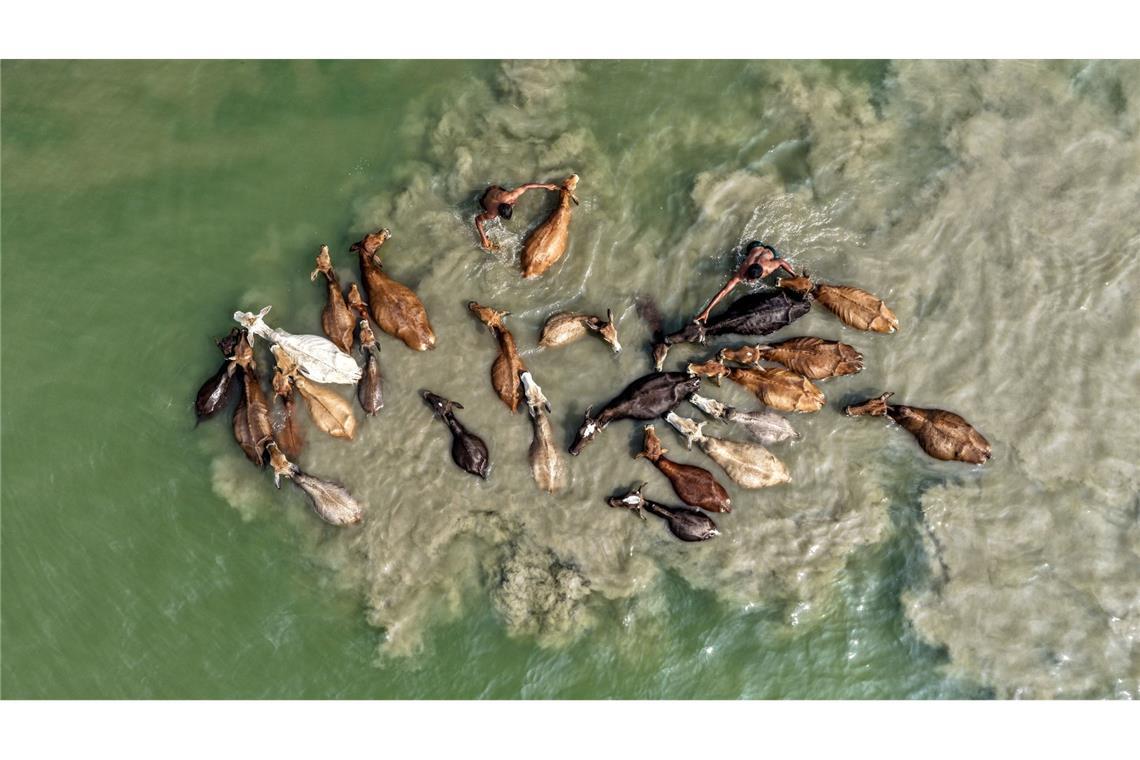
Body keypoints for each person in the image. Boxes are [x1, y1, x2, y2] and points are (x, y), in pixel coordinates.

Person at [693, 241, 796, 323]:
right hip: (755, 245)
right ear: (747, 271)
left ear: (762, 274)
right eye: (748, 277)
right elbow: (724, 291)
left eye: (752, 280)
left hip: (769, 251)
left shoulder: (769, 268)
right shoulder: (742, 271)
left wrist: (794, 275)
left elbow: (781, 262)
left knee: (776, 258)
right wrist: (707, 310)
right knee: (750, 249)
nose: (748, 280)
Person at [473, 181, 560, 250]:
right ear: (498, 213)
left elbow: (526, 186)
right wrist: (483, 238)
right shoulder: (492, 214)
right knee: (513, 200)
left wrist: (546, 186)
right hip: (484, 200)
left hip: (492, 190)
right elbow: (477, 219)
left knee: (514, 200)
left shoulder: (510, 196)